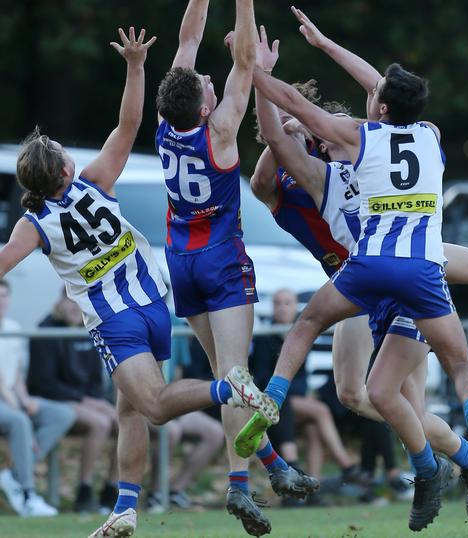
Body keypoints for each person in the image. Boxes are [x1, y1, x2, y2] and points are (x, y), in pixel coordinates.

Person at [0, 27, 271, 538]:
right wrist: (134, 66)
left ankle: (227, 386)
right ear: (62, 168)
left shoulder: (32, 225)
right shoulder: (96, 178)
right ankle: (125, 509)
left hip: (115, 319)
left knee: (154, 405)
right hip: (152, 303)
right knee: (130, 410)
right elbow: (129, 122)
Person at [237, 42, 468, 532]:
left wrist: (266, 77)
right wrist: (281, 115)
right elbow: (274, 156)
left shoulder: (361, 154)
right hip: (362, 284)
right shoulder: (308, 178)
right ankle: (462, 459)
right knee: (365, 396)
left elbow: (363, 109)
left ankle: (446, 467)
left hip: (384, 273)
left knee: (391, 395)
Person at [154, 0, 315, 536]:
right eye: (203, 81)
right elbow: (246, 63)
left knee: (228, 377)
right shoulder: (220, 132)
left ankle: (272, 469)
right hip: (220, 263)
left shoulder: (167, 126)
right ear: (203, 101)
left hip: (181, 261)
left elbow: (189, 38)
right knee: (239, 376)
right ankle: (243, 484)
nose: (207, 77)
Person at [250, 288, 361, 489]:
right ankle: (347, 465)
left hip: (294, 400)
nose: (283, 308)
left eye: (287, 303)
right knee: (320, 411)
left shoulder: (301, 337)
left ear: (296, 308)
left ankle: (311, 487)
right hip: (274, 400)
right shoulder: (264, 338)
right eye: (278, 303)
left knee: (313, 429)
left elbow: (301, 379)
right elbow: (262, 378)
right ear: (273, 308)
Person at [28, 290, 119, 512]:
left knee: (122, 420)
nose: (74, 307)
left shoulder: (88, 330)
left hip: (83, 399)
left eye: (79, 303)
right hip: (51, 400)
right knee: (100, 423)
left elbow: (94, 381)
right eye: (70, 301)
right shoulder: (45, 331)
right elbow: (44, 383)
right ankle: (84, 491)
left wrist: (94, 400)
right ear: (59, 301)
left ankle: (112, 489)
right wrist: (83, 400)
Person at [0, 279, 76, 517]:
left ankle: (13, 475)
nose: (1, 301)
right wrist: (20, 408)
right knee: (20, 421)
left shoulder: (13, 328)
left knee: (63, 414)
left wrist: (25, 399)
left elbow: (16, 376)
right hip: (4, 401)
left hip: (11, 398)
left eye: (4, 295)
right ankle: (27, 492)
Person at [147, 410, 225, 511]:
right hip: (145, 409)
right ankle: (155, 495)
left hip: (173, 408)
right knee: (171, 431)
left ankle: (175, 493)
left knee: (215, 432)